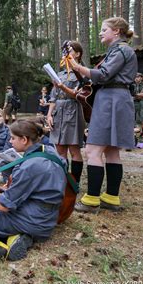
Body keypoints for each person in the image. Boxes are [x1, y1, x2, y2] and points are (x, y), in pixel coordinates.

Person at [0, 120, 67, 267]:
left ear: (24, 139)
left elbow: (4, 206)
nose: (10, 141)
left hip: (31, 221)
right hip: (50, 221)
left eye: (12, 138)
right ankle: (18, 238)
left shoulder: (28, 166)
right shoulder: (51, 151)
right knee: (3, 220)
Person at [69, 17, 138, 213]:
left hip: (111, 100)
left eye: (104, 29)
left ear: (116, 31)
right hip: (116, 99)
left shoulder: (121, 50)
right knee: (111, 151)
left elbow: (103, 75)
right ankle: (111, 198)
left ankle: (91, 200)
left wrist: (78, 67)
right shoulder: (119, 50)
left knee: (93, 150)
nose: (100, 33)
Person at [47, 40, 86, 185]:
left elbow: (77, 95)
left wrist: (62, 87)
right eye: (65, 51)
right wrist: (49, 114)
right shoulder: (60, 73)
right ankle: (63, 182)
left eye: (69, 51)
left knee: (74, 149)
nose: (66, 54)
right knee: (60, 149)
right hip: (58, 111)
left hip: (73, 111)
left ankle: (74, 183)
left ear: (77, 54)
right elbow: (53, 96)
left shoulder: (82, 73)